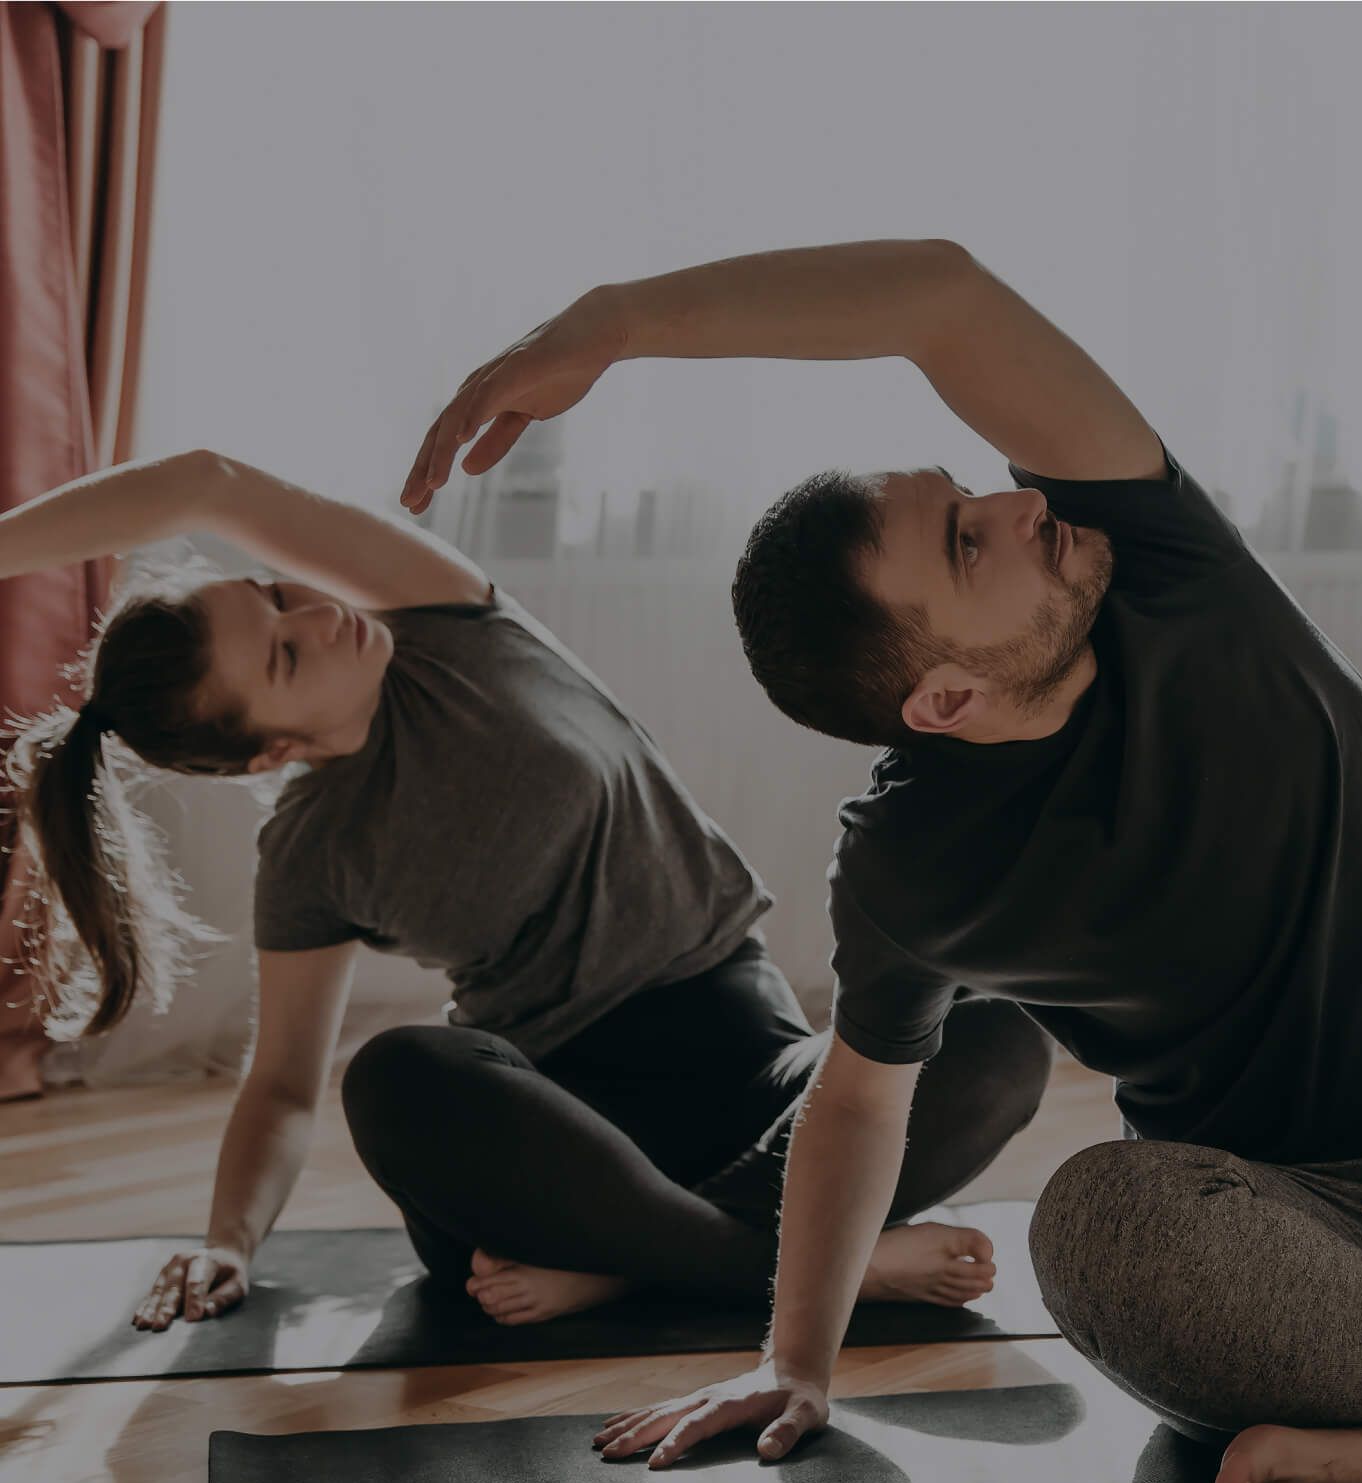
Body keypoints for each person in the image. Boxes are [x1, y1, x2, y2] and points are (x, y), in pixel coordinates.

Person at [404, 238, 1362, 1483]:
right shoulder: (910, 860)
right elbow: (856, 1097)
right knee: (1093, 1226)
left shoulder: (1164, 571)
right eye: (968, 541)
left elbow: (940, 297)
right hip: (1279, 1246)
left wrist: (612, 325)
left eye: (977, 495)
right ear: (943, 694)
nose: (1022, 502)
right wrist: (797, 1357)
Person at [1, 447, 1051, 1333]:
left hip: (757, 1070)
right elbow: (281, 1086)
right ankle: (822, 1260)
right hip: (560, 1132)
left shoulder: (446, 621)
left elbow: (209, 481)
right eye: (283, 653)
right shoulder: (312, 853)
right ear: (265, 751)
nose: (319, 613)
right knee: (397, 1077)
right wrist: (226, 1242)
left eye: (277, 593)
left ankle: (657, 1262)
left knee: (997, 1027)